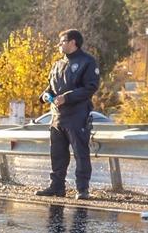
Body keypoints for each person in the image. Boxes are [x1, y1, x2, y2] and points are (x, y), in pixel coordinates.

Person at [36, 29, 101, 199]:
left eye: (63, 41)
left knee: (80, 153)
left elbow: (91, 87)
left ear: (73, 42)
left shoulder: (87, 62)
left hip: (77, 115)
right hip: (57, 116)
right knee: (57, 154)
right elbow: (51, 87)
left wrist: (68, 97)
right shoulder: (58, 64)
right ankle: (57, 187)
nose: (59, 45)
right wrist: (44, 96)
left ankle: (82, 189)